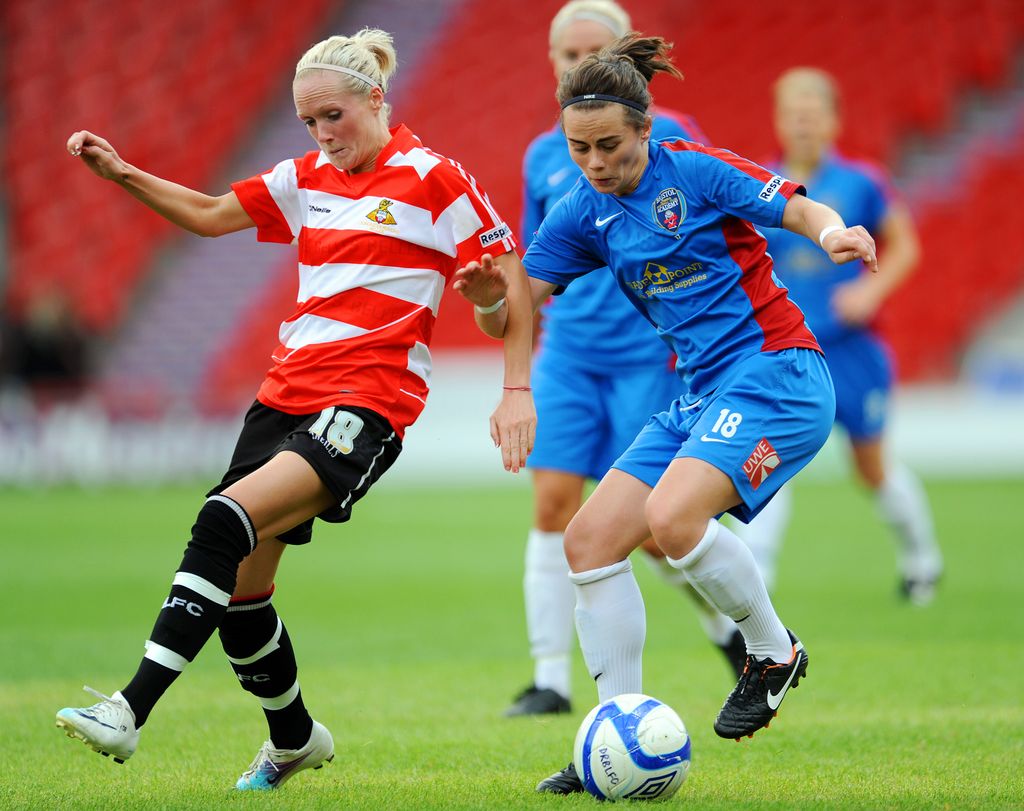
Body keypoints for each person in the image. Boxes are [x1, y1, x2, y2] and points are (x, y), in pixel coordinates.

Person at [55, 28, 536, 791]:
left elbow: (511, 284)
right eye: (309, 122)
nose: (321, 135)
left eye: (333, 117)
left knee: (222, 519)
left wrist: (515, 389)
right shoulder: (304, 175)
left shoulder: (434, 177)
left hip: (366, 402)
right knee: (243, 599)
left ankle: (129, 709)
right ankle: (295, 738)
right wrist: (123, 174)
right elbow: (215, 213)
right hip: (280, 398)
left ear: (376, 99)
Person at [458, 34, 878, 794]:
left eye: (609, 145)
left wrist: (835, 233)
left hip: (778, 374)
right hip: (699, 394)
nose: (593, 162)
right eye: (578, 147)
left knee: (674, 517)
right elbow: (517, 299)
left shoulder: (694, 169)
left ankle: (773, 650)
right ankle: (615, 735)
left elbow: (794, 204)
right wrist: (492, 306)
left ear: (646, 131)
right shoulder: (581, 211)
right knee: (588, 539)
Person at [507, 0, 750, 720]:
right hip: (570, 353)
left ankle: (727, 626)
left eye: (592, 50)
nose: (576, 63)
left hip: (650, 354)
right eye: (564, 54)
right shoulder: (541, 154)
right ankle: (550, 678)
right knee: (553, 505)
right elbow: (535, 269)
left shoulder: (669, 137)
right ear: (550, 62)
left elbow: (718, 222)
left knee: (645, 529)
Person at [754, 67, 942, 604]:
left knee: (871, 466)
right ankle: (759, 579)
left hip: (851, 348)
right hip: (784, 348)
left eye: (813, 114)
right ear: (779, 121)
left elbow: (905, 247)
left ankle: (922, 559)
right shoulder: (762, 184)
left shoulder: (863, 183)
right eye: (794, 114)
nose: (804, 125)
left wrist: (869, 295)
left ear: (834, 121)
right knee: (766, 459)